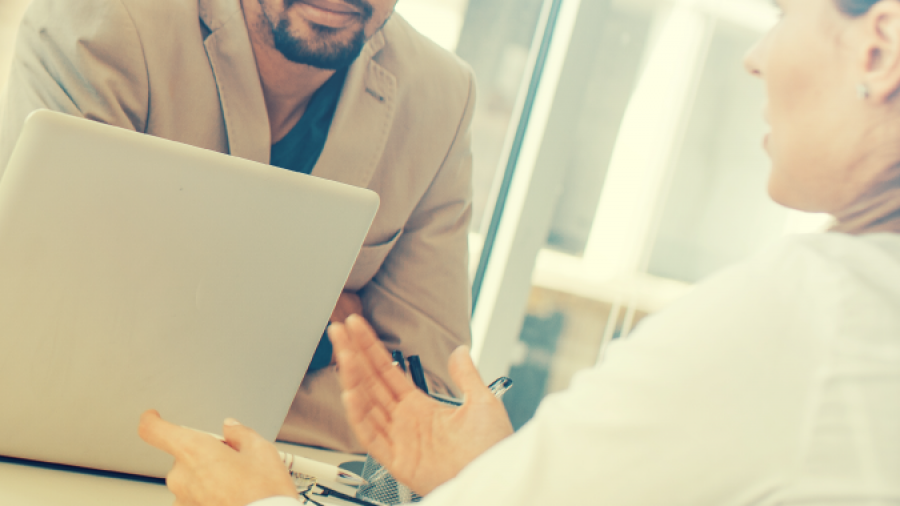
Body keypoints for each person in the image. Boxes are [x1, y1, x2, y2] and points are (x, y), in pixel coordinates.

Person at [139, 0, 900, 503]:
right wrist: (488, 480)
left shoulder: (802, 316)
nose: (757, 56)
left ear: (880, 49)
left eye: (783, 11)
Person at [0, 0, 476, 453]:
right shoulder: (105, 19)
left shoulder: (442, 97)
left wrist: (178, 326)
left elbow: (422, 404)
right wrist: (319, 328)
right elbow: (47, 338)